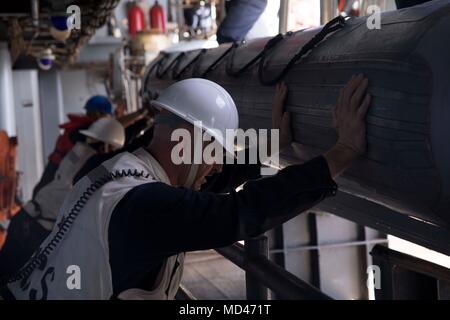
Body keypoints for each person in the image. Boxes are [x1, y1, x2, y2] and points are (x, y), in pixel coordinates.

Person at [1, 74, 371, 300]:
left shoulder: (113, 170)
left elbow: (202, 185)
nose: (217, 163)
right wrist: (342, 153)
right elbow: (236, 212)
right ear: (187, 145)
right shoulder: (146, 207)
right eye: (214, 152)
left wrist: (270, 144)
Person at [0, 118, 125, 280]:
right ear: (107, 146)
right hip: (35, 230)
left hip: (26, 219)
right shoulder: (91, 166)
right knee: (14, 281)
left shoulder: (79, 150)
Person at [32, 95, 113, 197]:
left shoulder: (81, 128)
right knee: (42, 201)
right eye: (108, 116)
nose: (109, 121)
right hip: (56, 175)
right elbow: (109, 131)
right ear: (97, 114)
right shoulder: (83, 131)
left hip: (58, 172)